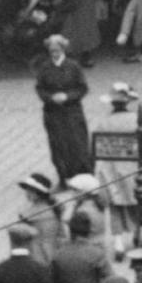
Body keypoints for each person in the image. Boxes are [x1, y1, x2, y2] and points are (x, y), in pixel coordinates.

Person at [30, 36, 93, 181]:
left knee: (77, 143)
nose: (54, 53)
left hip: (72, 111)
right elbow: (40, 88)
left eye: (57, 50)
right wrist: (50, 98)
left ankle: (83, 175)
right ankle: (63, 176)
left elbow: (82, 88)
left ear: (63, 49)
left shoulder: (73, 66)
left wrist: (68, 96)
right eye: (51, 51)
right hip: (53, 113)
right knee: (58, 145)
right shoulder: (45, 68)